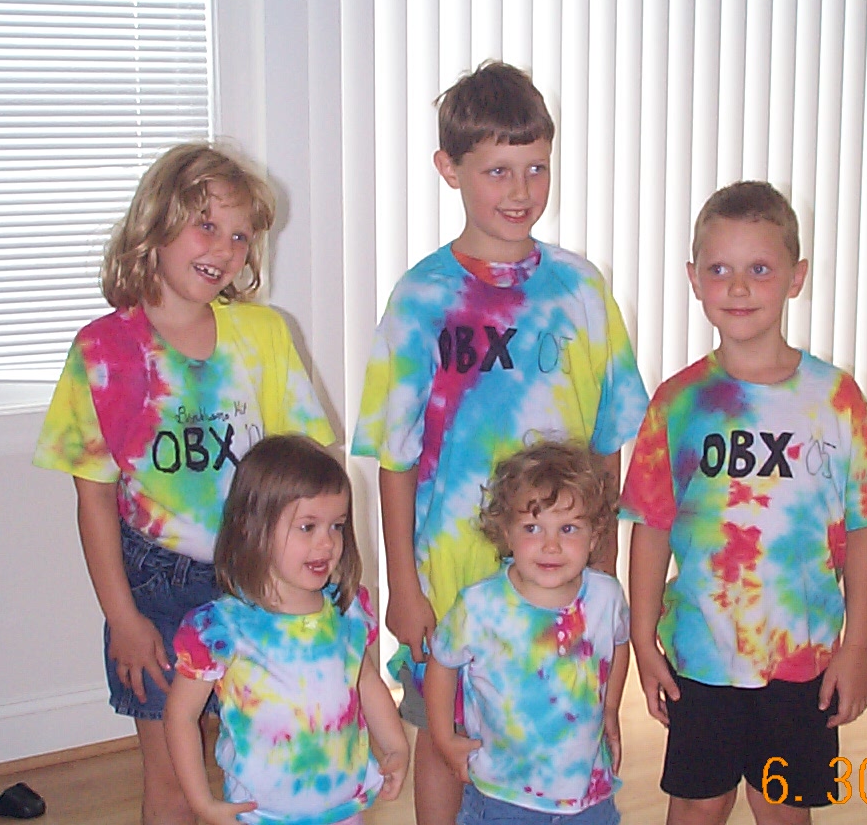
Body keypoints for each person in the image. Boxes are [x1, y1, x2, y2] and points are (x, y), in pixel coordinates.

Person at [351, 61, 648, 824]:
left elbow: (607, 436)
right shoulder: (422, 298)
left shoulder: (581, 290)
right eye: (497, 171)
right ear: (449, 168)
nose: (520, 190)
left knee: (550, 723)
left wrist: (603, 553)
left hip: (561, 564)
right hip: (453, 573)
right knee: (443, 733)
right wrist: (403, 587)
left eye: (536, 168)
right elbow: (395, 455)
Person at [33, 142, 335, 825]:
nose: (225, 249)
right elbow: (94, 500)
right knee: (173, 781)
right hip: (158, 589)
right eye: (207, 226)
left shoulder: (263, 334)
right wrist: (123, 619)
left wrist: (318, 573)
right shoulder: (103, 351)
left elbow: (304, 474)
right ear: (156, 224)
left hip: (260, 579)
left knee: (267, 765)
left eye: (240, 236)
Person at [621, 181, 867, 825]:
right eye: (719, 270)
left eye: (759, 269)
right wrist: (643, 638)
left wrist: (858, 647)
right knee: (698, 802)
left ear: (795, 277)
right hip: (702, 654)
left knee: (782, 805)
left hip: (802, 658)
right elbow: (651, 526)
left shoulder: (836, 400)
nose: (738, 288)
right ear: (694, 280)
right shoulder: (678, 402)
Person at [164, 435, 409, 825]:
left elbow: (364, 681)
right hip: (261, 815)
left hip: (343, 808)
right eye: (307, 527)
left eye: (337, 526)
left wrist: (396, 745)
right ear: (251, 528)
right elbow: (180, 716)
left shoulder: (346, 612)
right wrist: (201, 802)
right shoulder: (222, 628)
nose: (327, 543)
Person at [424, 441, 629, 825]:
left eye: (568, 528)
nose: (551, 545)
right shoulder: (480, 606)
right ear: (507, 531)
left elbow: (619, 644)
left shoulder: (606, 596)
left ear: (594, 535)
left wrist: (612, 708)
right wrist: (443, 737)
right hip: (503, 796)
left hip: (589, 795)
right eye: (533, 528)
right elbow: (442, 662)